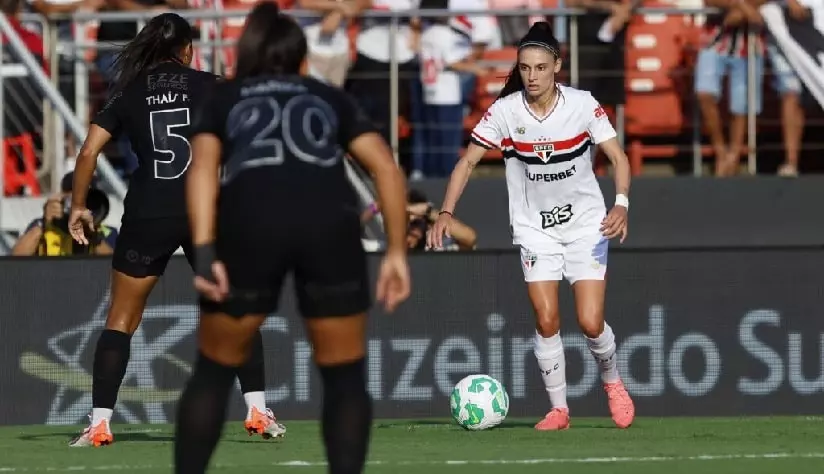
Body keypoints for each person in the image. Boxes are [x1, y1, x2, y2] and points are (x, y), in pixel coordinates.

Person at [173, 4, 410, 474]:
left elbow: (200, 170)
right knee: (343, 377)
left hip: (250, 219)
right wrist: (397, 251)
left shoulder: (225, 98)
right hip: (329, 220)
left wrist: (203, 249)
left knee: (214, 371)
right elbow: (385, 166)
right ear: (303, 60)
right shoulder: (327, 97)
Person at [66, 13, 285, 447]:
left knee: (122, 320)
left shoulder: (128, 90)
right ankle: (258, 409)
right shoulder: (212, 85)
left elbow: (89, 150)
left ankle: (100, 422)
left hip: (150, 209)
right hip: (205, 210)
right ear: (187, 49)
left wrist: (77, 206)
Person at [428, 22, 635, 431]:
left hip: (585, 226)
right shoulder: (505, 112)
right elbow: (468, 161)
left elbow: (618, 156)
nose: (533, 76)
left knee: (591, 322)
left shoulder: (581, 105)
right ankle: (559, 410)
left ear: (557, 65)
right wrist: (446, 212)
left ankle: (613, 382)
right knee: (546, 319)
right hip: (534, 230)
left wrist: (622, 204)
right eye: (525, 68)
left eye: (541, 67)